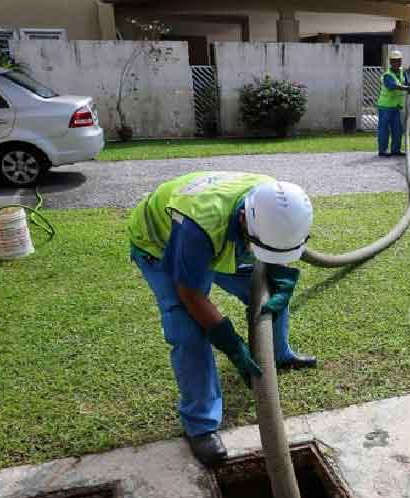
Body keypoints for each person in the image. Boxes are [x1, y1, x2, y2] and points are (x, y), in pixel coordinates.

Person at [128, 172, 317, 466]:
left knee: (268, 295)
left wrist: (279, 274)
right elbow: (190, 293)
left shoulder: (274, 203)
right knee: (189, 330)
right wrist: (233, 345)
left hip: (223, 238)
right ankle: (200, 426)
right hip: (163, 244)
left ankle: (277, 355)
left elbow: (273, 254)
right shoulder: (198, 224)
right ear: (244, 218)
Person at [377, 49, 410, 158]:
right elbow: (393, 86)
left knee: (397, 129)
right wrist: (407, 88)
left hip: (396, 107)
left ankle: (395, 150)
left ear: (401, 61)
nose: (396, 63)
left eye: (398, 61)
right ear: (390, 62)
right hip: (385, 107)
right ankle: (382, 151)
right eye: (394, 61)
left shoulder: (403, 72)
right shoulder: (387, 75)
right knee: (384, 130)